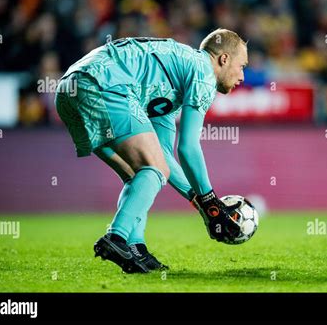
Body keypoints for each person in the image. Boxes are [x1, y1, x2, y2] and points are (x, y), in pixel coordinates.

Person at [55, 29, 248, 273]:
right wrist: (211, 202)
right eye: (242, 66)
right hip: (102, 83)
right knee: (154, 169)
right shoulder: (203, 72)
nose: (242, 76)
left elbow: (165, 155)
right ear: (223, 59)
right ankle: (116, 238)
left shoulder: (171, 81)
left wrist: (199, 202)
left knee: (141, 173)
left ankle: (136, 250)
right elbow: (188, 148)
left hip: (68, 89)